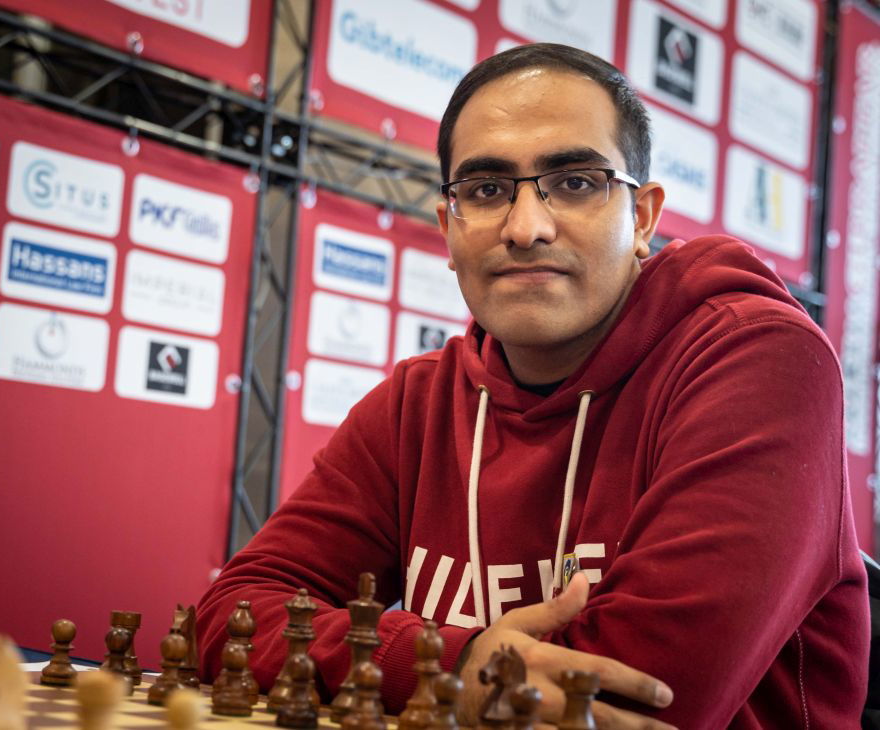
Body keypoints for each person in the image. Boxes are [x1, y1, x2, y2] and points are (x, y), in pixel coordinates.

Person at [197, 43, 870, 728]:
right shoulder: (415, 405)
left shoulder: (755, 356)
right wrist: (453, 664)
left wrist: (452, 677)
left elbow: (640, 695)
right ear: (449, 228)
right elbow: (232, 615)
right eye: (486, 190)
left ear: (642, 218)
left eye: (575, 181)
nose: (525, 228)